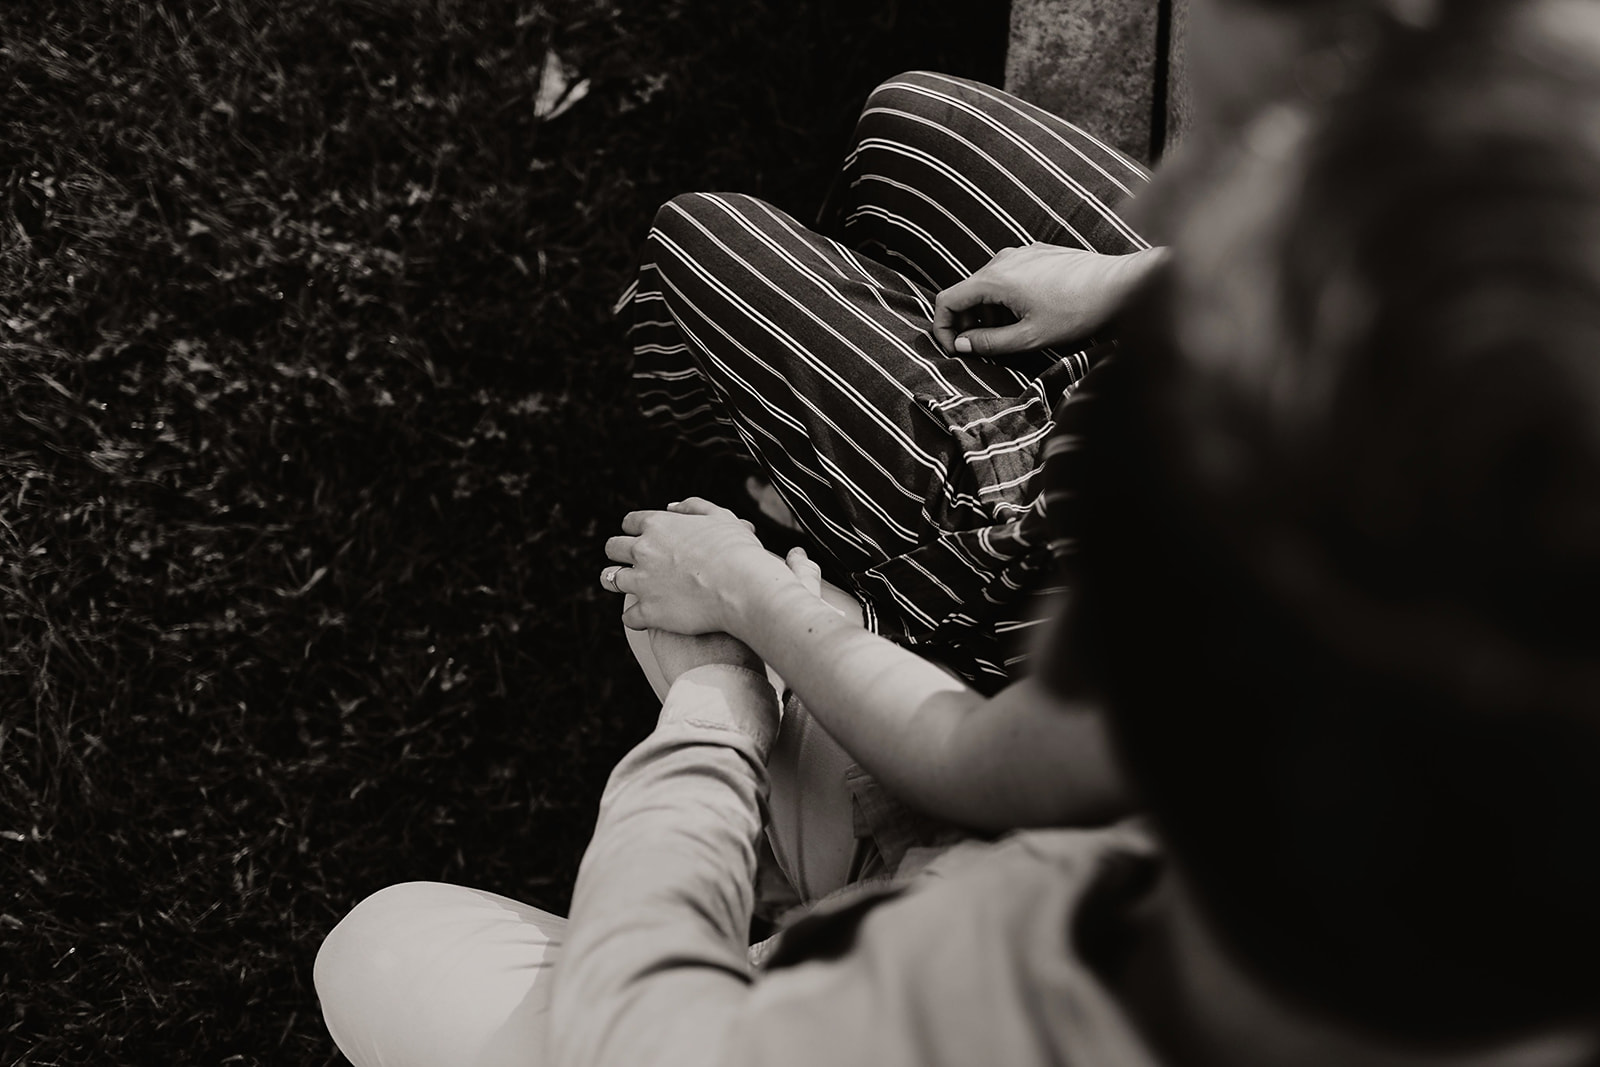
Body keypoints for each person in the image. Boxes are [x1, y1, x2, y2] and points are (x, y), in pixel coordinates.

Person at [314, 2, 1600, 1063]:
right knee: (906, 129)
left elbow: (649, 1040)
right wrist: (1131, 283)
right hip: (997, 796)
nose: (1174, 187)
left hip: (880, 899)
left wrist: (714, 707)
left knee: (379, 949)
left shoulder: (1027, 1000)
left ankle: (792, 543)